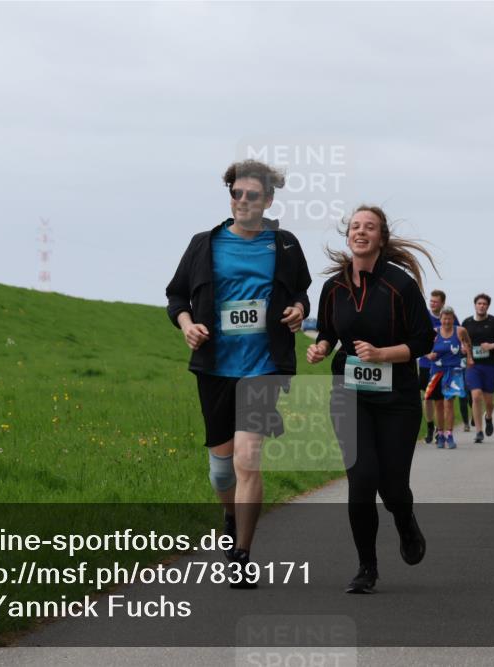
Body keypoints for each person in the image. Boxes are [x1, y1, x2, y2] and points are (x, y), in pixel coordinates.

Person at [166, 159, 311, 588]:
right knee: (222, 472)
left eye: (252, 195)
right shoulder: (203, 244)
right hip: (214, 367)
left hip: (264, 366)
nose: (242, 201)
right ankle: (230, 516)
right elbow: (176, 296)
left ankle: (242, 554)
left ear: (268, 200)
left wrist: (300, 310)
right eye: (236, 193)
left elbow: (301, 291)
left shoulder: (283, 244)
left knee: (250, 458)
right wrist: (188, 325)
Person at [307, 205, 435, 594]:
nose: (360, 232)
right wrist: (321, 347)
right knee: (361, 480)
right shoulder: (333, 287)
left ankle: (405, 519)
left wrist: (383, 354)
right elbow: (328, 331)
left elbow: (423, 341)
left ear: (382, 237)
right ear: (348, 236)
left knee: (393, 488)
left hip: (397, 398)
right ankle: (367, 568)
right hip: (350, 395)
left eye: (370, 227)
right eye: (355, 227)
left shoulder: (401, 285)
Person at [418, 290, 471, 442]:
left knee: (446, 401)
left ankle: (443, 431)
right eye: (431, 301)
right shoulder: (424, 317)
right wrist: (427, 354)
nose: (432, 303)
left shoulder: (451, 319)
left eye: (435, 301)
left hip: (448, 366)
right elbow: (419, 338)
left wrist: (463, 350)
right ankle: (430, 427)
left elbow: (460, 338)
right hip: (426, 364)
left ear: (442, 303)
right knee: (427, 398)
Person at [462, 294, 494, 443]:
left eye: (484, 304)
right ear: (475, 305)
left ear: (488, 306)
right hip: (473, 365)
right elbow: (462, 341)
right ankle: (479, 431)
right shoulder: (467, 323)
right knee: (475, 396)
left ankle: (488, 417)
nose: (482, 306)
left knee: (488, 400)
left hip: (491, 365)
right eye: (479, 303)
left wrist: (493, 346)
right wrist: (464, 349)